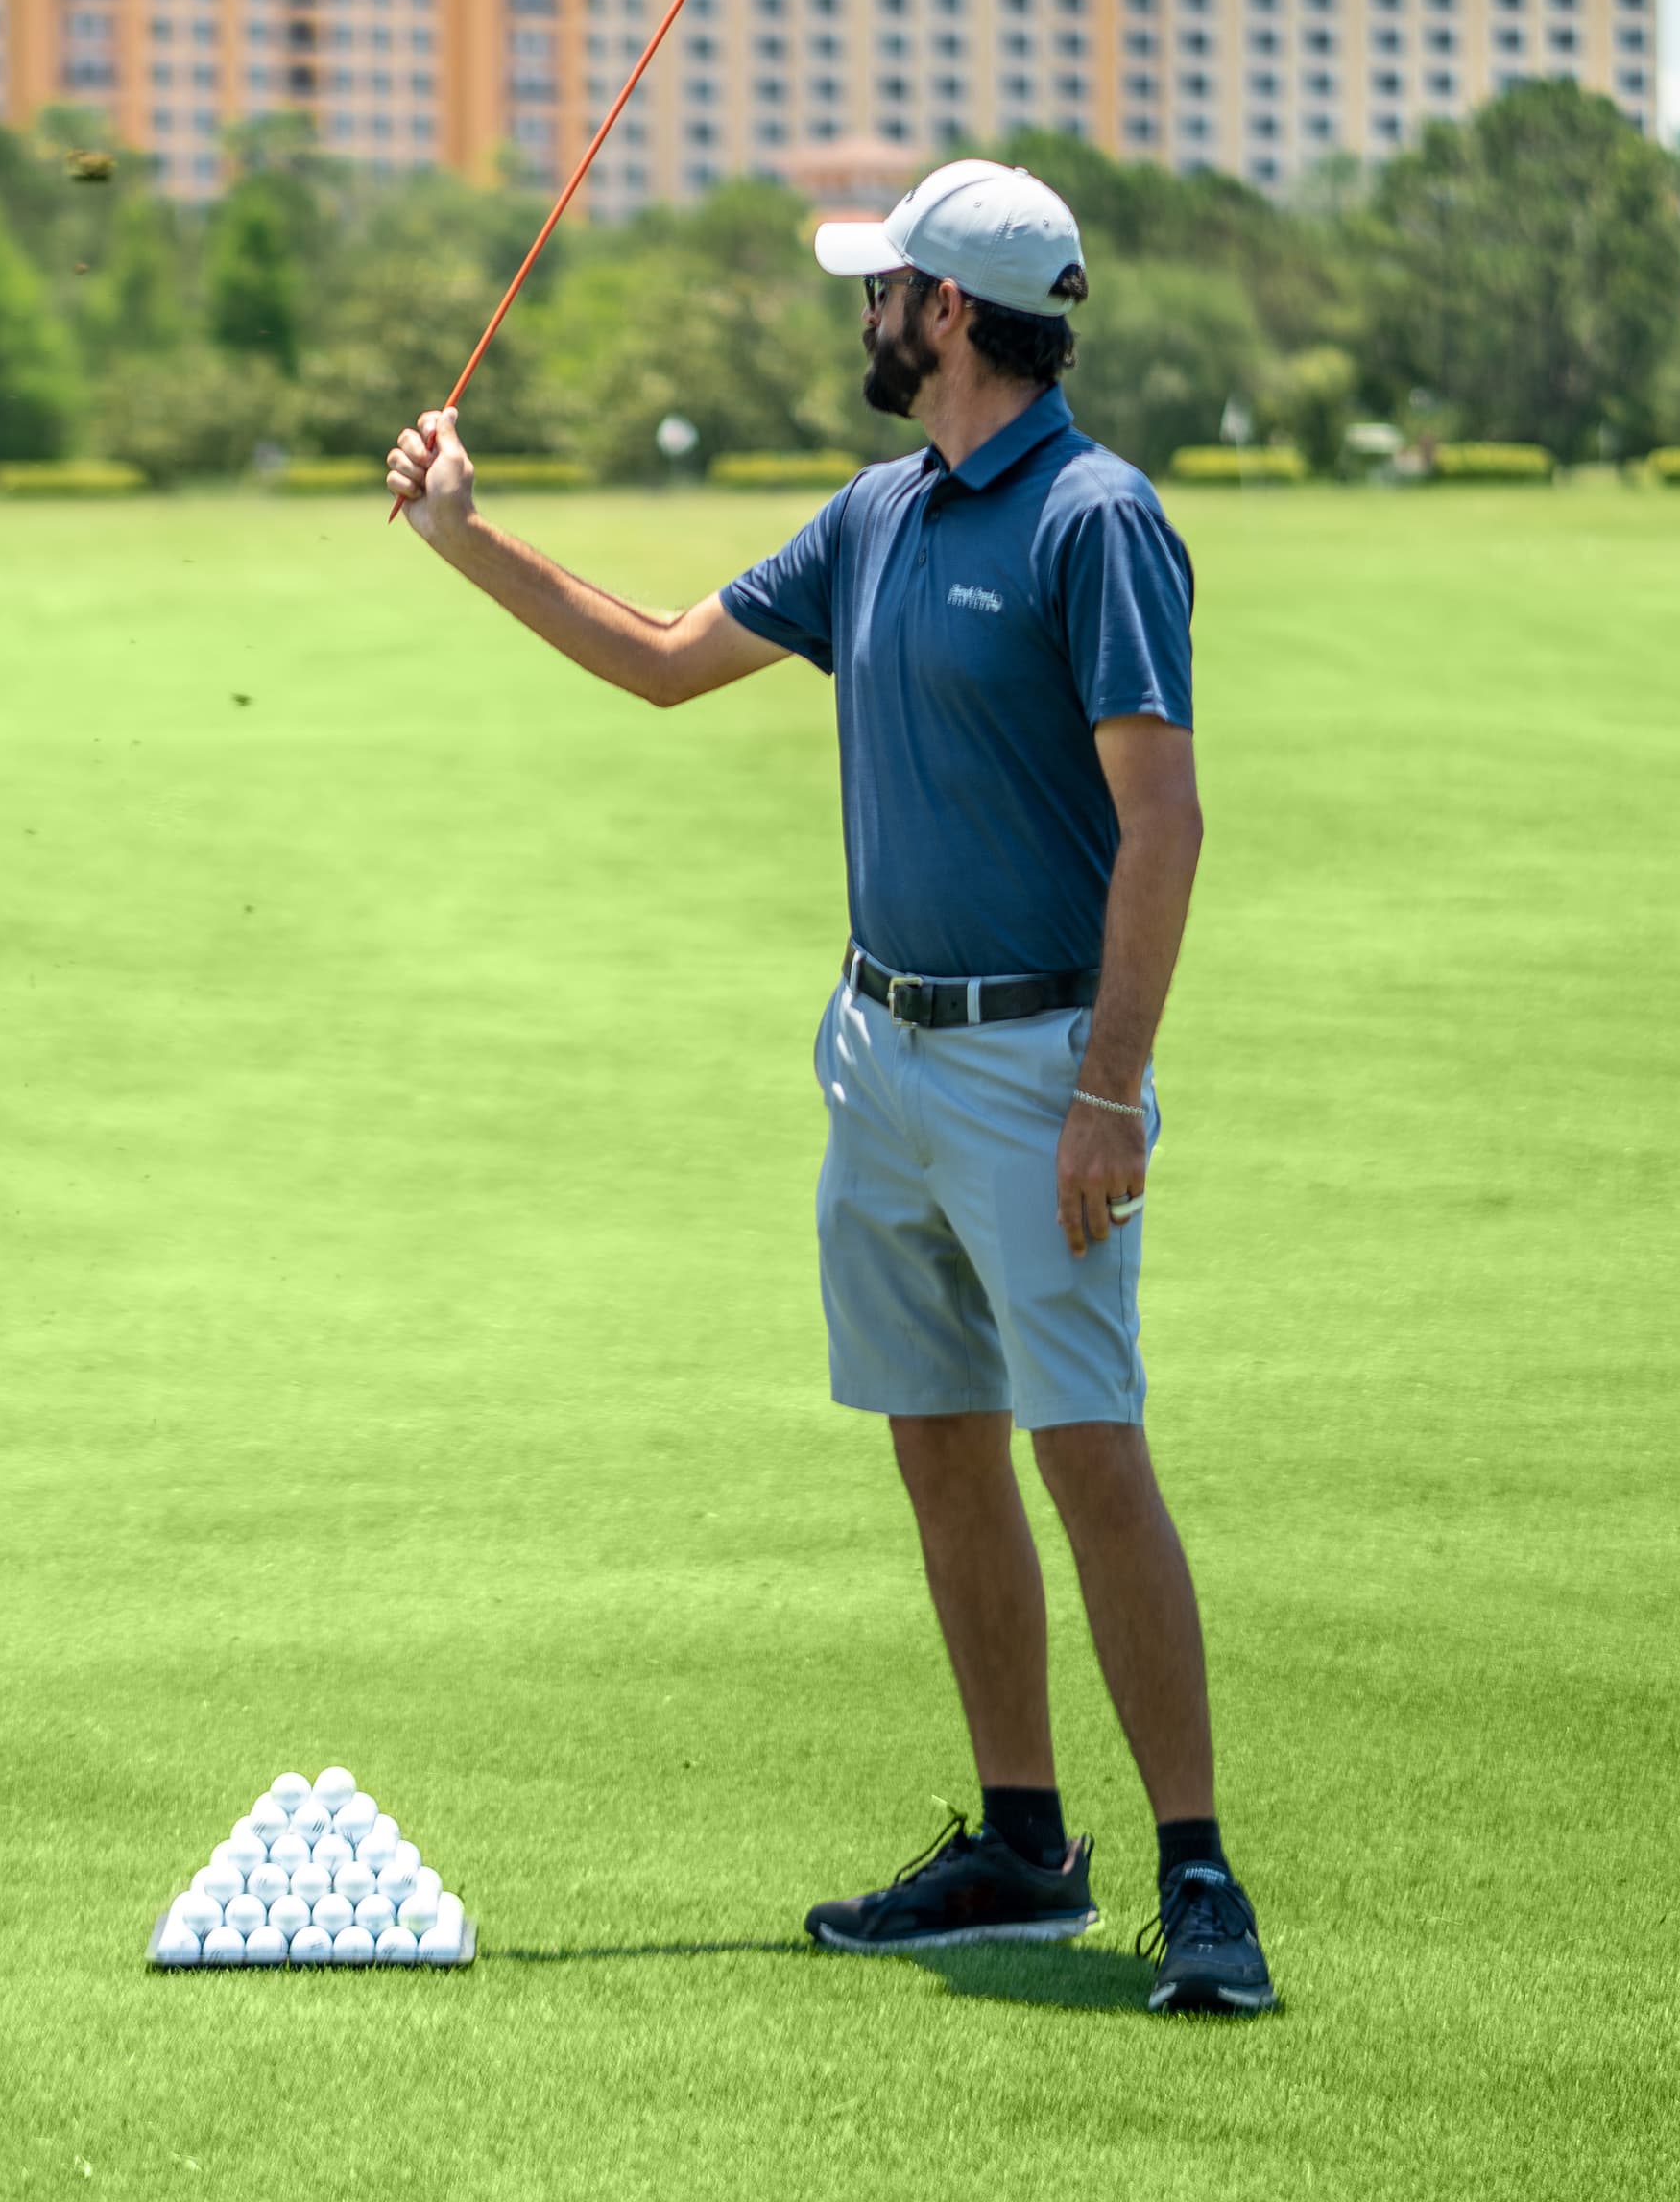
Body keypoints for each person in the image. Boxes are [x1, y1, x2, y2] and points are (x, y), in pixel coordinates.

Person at [383, 161, 1275, 2016]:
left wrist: (1112, 1091)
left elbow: (1162, 821)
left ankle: (1200, 1877)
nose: (859, 310)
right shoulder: (878, 514)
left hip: (1044, 1071)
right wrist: (466, 536)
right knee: (937, 1436)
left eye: (882, 288)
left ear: (948, 314)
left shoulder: (1095, 521)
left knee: (1090, 1453)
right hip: (877, 1054)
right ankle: (1022, 1847)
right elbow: (656, 663)